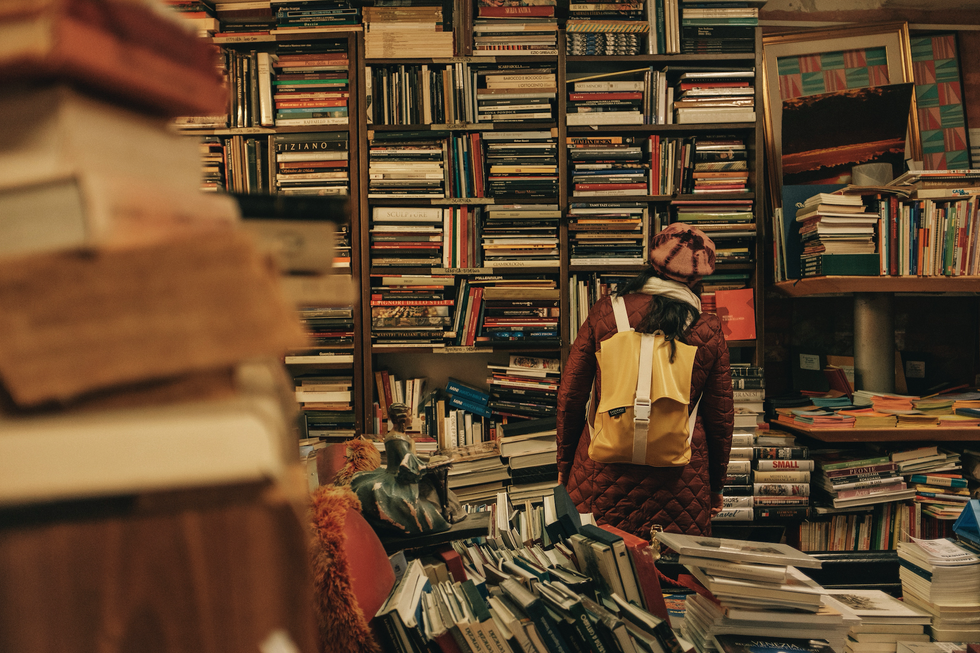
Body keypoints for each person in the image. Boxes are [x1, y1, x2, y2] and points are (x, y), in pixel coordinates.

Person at [556, 222, 734, 538]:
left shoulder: (605, 313)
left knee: (599, 561)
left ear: (652, 262)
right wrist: (716, 485)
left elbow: (571, 396)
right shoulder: (707, 328)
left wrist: (565, 466)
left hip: (600, 473)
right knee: (673, 565)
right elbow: (720, 418)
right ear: (697, 279)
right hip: (681, 480)